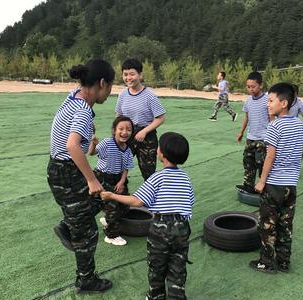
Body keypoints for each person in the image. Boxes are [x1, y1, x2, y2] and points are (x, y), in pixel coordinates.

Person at [47, 59, 114, 293]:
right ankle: (86, 280)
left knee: (106, 189)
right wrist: (90, 179)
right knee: (87, 231)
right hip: (67, 171)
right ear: (102, 83)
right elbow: (73, 145)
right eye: (111, 87)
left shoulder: (74, 94)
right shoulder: (83, 111)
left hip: (60, 169)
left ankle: (68, 224)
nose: (110, 93)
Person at [101, 132, 194, 300]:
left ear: (162, 155)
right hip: (182, 228)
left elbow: (137, 201)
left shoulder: (157, 177)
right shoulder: (185, 178)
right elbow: (189, 201)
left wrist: (111, 196)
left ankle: (155, 296)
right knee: (178, 266)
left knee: (157, 265)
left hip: (161, 228)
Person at [250, 83, 303, 274]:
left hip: (274, 186)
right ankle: (283, 262)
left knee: (267, 226)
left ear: (284, 103)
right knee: (285, 226)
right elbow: (300, 152)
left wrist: (262, 180)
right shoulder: (298, 124)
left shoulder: (275, 126)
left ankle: (266, 262)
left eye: (271, 101)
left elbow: (270, 156)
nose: (268, 104)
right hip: (291, 185)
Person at [115, 58, 166, 181]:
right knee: (118, 169)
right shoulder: (122, 95)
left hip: (146, 137)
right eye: (125, 74)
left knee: (148, 172)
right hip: (127, 135)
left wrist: (144, 131)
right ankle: (120, 195)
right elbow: (118, 116)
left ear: (140, 75)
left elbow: (161, 118)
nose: (128, 78)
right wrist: (117, 135)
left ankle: (151, 197)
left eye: (132, 74)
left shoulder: (150, 95)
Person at [88, 116, 134, 246]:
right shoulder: (107, 143)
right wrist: (94, 143)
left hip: (118, 179)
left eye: (128, 130)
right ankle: (111, 235)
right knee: (112, 206)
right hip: (103, 178)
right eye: (121, 129)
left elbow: (126, 168)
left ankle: (108, 220)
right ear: (114, 130)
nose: (125, 132)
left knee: (125, 205)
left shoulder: (128, 150)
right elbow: (91, 153)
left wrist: (121, 182)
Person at [236, 71, 271, 194]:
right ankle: (248, 185)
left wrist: (271, 136)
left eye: (253, 86)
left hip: (263, 138)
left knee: (261, 163)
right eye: (248, 86)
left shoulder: (268, 100)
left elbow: (272, 119)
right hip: (250, 137)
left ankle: (264, 186)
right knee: (248, 161)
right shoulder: (248, 101)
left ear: (260, 85)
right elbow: (247, 117)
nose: (250, 89)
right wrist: (241, 132)